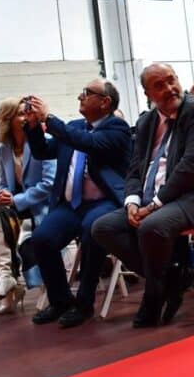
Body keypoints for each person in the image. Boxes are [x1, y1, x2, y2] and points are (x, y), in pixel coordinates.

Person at [91, 64, 194, 327]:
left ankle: (153, 295)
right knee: (103, 228)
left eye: (171, 80)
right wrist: (132, 201)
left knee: (151, 226)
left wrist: (153, 205)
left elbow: (193, 167)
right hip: (156, 200)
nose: (169, 88)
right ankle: (170, 279)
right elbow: (135, 168)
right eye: (159, 85)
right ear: (147, 93)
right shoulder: (145, 122)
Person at [24, 80, 132, 328]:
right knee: (42, 239)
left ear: (105, 102)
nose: (79, 97)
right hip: (71, 204)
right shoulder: (73, 127)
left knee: (92, 230)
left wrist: (48, 119)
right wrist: (33, 126)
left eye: (86, 93)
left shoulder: (117, 128)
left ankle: (84, 304)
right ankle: (60, 300)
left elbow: (88, 143)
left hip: (104, 202)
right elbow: (42, 152)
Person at [0, 98, 56, 316]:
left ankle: (14, 283)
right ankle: (8, 281)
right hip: (15, 208)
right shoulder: (3, 149)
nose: (25, 117)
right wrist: (4, 193)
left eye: (26, 113)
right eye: (19, 114)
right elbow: (2, 182)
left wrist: (16, 200)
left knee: (6, 227)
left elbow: (49, 184)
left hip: (43, 206)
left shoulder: (43, 140)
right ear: (8, 120)